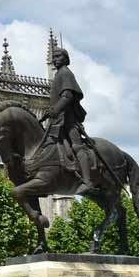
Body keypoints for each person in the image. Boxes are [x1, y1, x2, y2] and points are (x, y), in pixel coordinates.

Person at [38, 46, 94, 187]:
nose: (55, 60)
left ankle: (87, 180)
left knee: (77, 146)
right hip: (58, 119)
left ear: (65, 58)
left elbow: (68, 96)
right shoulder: (58, 75)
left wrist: (54, 110)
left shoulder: (65, 73)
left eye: (58, 56)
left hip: (68, 119)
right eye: (54, 57)